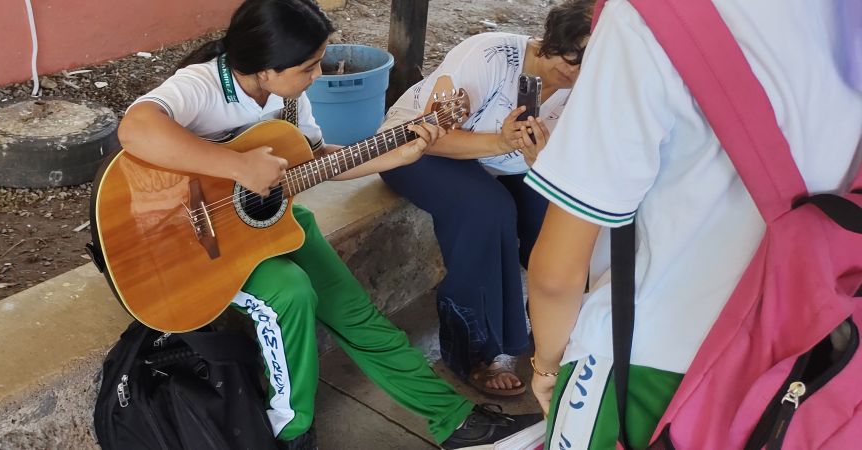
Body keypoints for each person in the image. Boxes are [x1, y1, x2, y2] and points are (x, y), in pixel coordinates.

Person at [117, 1, 533, 449]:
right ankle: (290, 433)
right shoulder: (202, 84)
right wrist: (236, 167)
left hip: (272, 223)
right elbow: (135, 129)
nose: (319, 75)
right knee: (291, 292)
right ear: (265, 68)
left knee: (357, 315)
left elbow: (315, 163)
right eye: (309, 66)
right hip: (187, 245)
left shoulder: (288, 98)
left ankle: (454, 420)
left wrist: (399, 153)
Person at [523, 0, 862, 447]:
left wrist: (547, 365)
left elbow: (556, 273)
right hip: (806, 363)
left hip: (644, 365)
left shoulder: (645, 16)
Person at [378, 0, 594, 397]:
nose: (576, 70)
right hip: (413, 150)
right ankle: (475, 350)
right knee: (486, 209)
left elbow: (568, 165)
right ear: (553, 38)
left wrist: (541, 162)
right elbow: (431, 134)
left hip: (503, 166)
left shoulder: (587, 90)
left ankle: (559, 330)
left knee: (554, 216)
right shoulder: (491, 55)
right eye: (572, 54)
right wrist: (500, 141)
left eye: (590, 63)